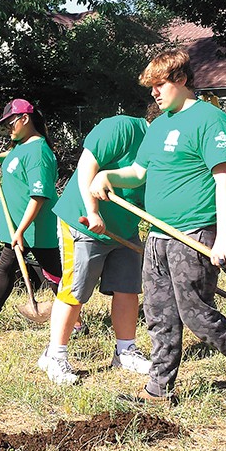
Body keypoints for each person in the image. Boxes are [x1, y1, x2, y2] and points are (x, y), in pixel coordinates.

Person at [90, 49, 226, 407]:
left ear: (180, 79)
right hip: (159, 236)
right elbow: (138, 173)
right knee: (160, 314)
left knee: (197, 314)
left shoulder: (211, 120)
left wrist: (224, 239)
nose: (154, 93)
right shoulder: (160, 123)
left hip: (194, 234)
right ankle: (158, 390)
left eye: (159, 85)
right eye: (151, 87)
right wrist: (106, 175)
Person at [37, 105, 161, 384]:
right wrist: (93, 211)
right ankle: (54, 355)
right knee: (75, 290)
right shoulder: (121, 128)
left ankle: (125, 350)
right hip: (83, 222)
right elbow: (87, 167)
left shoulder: (165, 151)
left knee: (128, 289)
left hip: (124, 229)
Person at [0, 99, 62, 327]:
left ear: (25, 119)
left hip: (36, 228)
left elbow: (39, 196)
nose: (8, 128)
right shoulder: (23, 146)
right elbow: (14, 157)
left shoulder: (38, 152)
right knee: (5, 266)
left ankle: (76, 322)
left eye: (11, 123)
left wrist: (21, 230)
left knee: (54, 276)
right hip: (18, 226)